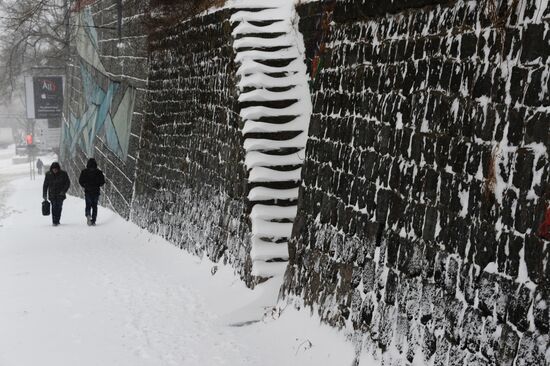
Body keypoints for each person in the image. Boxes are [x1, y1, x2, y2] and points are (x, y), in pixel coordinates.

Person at [78, 158, 105, 226]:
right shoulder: (99, 172)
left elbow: (80, 181)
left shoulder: (84, 172)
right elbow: (102, 182)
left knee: (88, 205)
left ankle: (88, 214)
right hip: (96, 191)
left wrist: (85, 185)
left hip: (88, 191)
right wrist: (98, 184)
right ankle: (93, 220)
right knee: (94, 206)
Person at [43, 162, 71, 226]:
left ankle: (58, 219)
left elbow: (67, 183)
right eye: (53, 169)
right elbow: (45, 185)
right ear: (51, 169)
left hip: (60, 194)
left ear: (58, 169)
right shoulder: (48, 174)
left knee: (59, 207)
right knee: (54, 207)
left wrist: (63, 191)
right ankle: (54, 221)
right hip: (52, 194)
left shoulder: (63, 174)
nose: (55, 170)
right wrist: (44, 195)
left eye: (56, 169)